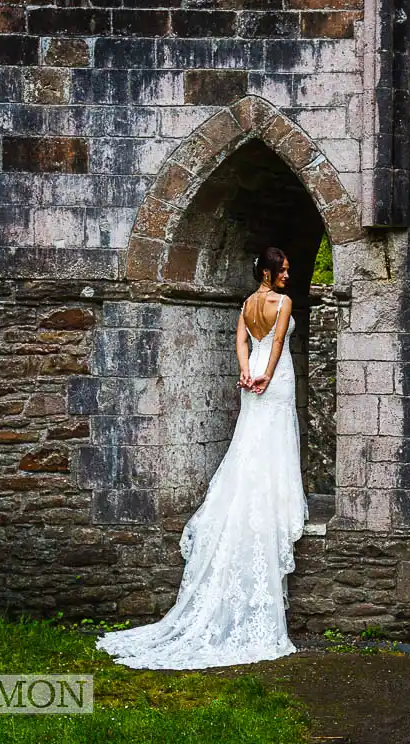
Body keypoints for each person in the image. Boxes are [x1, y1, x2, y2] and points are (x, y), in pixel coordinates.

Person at [96, 247, 308, 669]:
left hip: (255, 375)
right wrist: (266, 373)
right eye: (283, 270)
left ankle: (257, 495)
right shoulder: (280, 303)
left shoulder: (248, 303)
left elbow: (241, 340)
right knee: (274, 434)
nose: (288, 275)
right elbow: (280, 339)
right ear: (267, 271)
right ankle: (277, 502)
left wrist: (245, 372)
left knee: (252, 436)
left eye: (287, 269)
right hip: (275, 374)